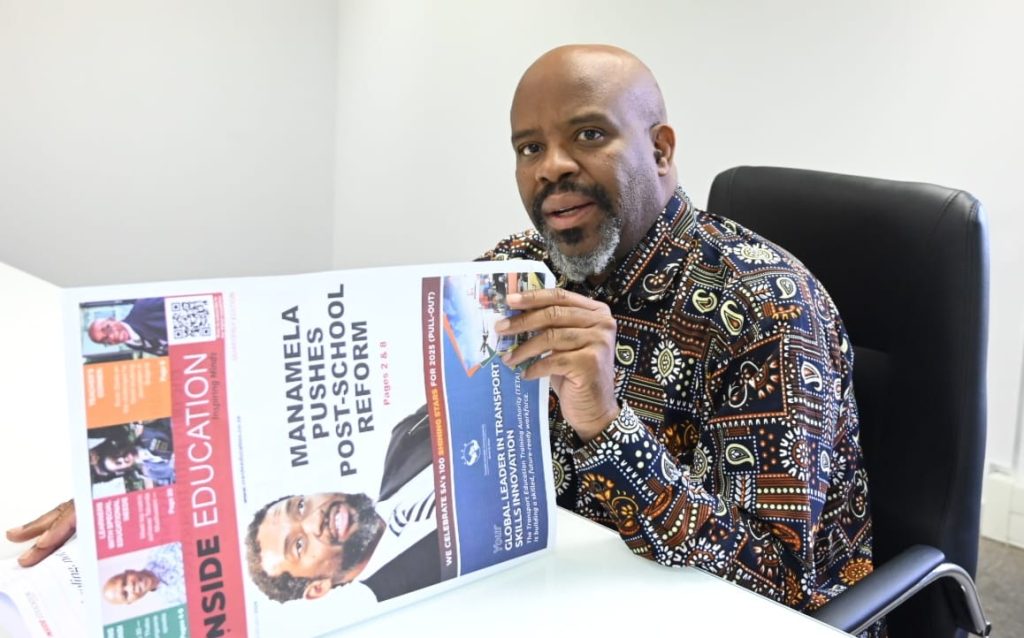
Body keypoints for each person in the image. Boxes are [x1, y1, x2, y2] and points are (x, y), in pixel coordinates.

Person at [7, 44, 875, 623]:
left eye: (588, 135)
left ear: (661, 147)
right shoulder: (515, 273)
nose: (552, 168)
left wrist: (608, 429)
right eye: (528, 148)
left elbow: (783, 590)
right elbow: (349, 422)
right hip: (559, 592)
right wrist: (150, 506)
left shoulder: (766, 311)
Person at [245, 405, 439, 603]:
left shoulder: (406, 439)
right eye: (299, 545)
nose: (315, 519)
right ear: (318, 588)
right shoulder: (413, 603)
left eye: (300, 507)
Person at [102, 542, 186, 606]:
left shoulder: (159, 547)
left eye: (124, 582)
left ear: (129, 571)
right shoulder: (172, 602)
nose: (131, 587)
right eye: (125, 594)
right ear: (131, 601)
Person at [87, 298, 168, 356]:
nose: (112, 337)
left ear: (112, 319)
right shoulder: (133, 344)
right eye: (106, 340)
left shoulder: (143, 307)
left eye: (107, 329)